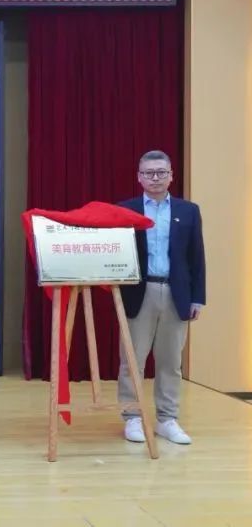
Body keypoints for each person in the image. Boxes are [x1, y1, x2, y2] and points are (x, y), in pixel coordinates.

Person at [117, 150, 205, 445]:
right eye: (149, 173)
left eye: (161, 172)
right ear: (139, 177)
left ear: (171, 176)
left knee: (170, 361)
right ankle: (132, 417)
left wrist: (197, 298)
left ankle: (167, 419)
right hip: (138, 293)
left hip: (176, 293)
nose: (155, 178)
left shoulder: (188, 211)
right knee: (132, 360)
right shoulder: (125, 210)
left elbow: (197, 257)